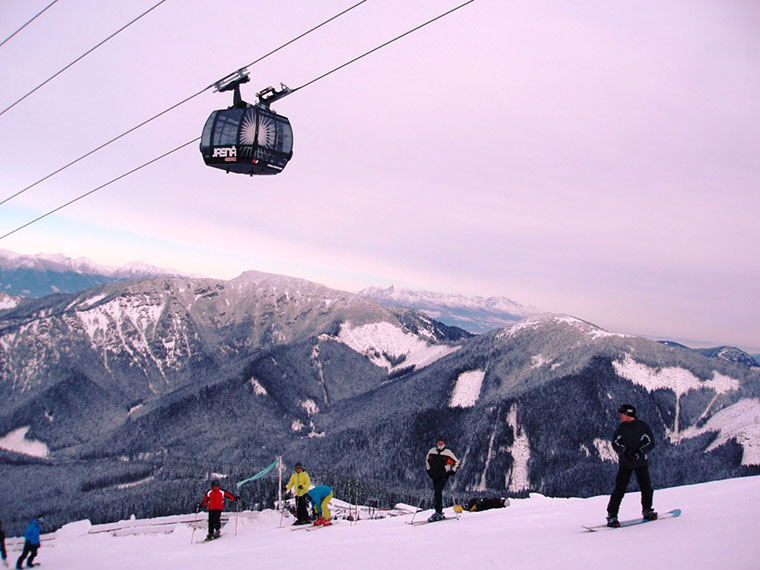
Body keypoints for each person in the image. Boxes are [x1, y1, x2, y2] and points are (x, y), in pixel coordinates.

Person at [606, 404, 657, 527]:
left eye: (622, 414)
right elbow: (615, 444)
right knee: (620, 489)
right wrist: (626, 452)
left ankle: (647, 510)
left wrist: (639, 452)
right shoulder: (621, 428)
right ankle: (612, 515)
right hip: (626, 463)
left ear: (629, 414)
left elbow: (651, 442)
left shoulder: (642, 427)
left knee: (646, 487)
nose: (620, 416)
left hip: (640, 462)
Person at [425, 435, 459, 522]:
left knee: (438, 492)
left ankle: (438, 512)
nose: (440, 443)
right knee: (436, 493)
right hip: (434, 475)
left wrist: (452, 471)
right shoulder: (432, 451)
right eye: (439, 442)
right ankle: (438, 512)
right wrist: (429, 471)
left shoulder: (448, 453)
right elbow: (427, 461)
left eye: (442, 442)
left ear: (444, 443)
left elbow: (456, 462)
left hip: (443, 476)